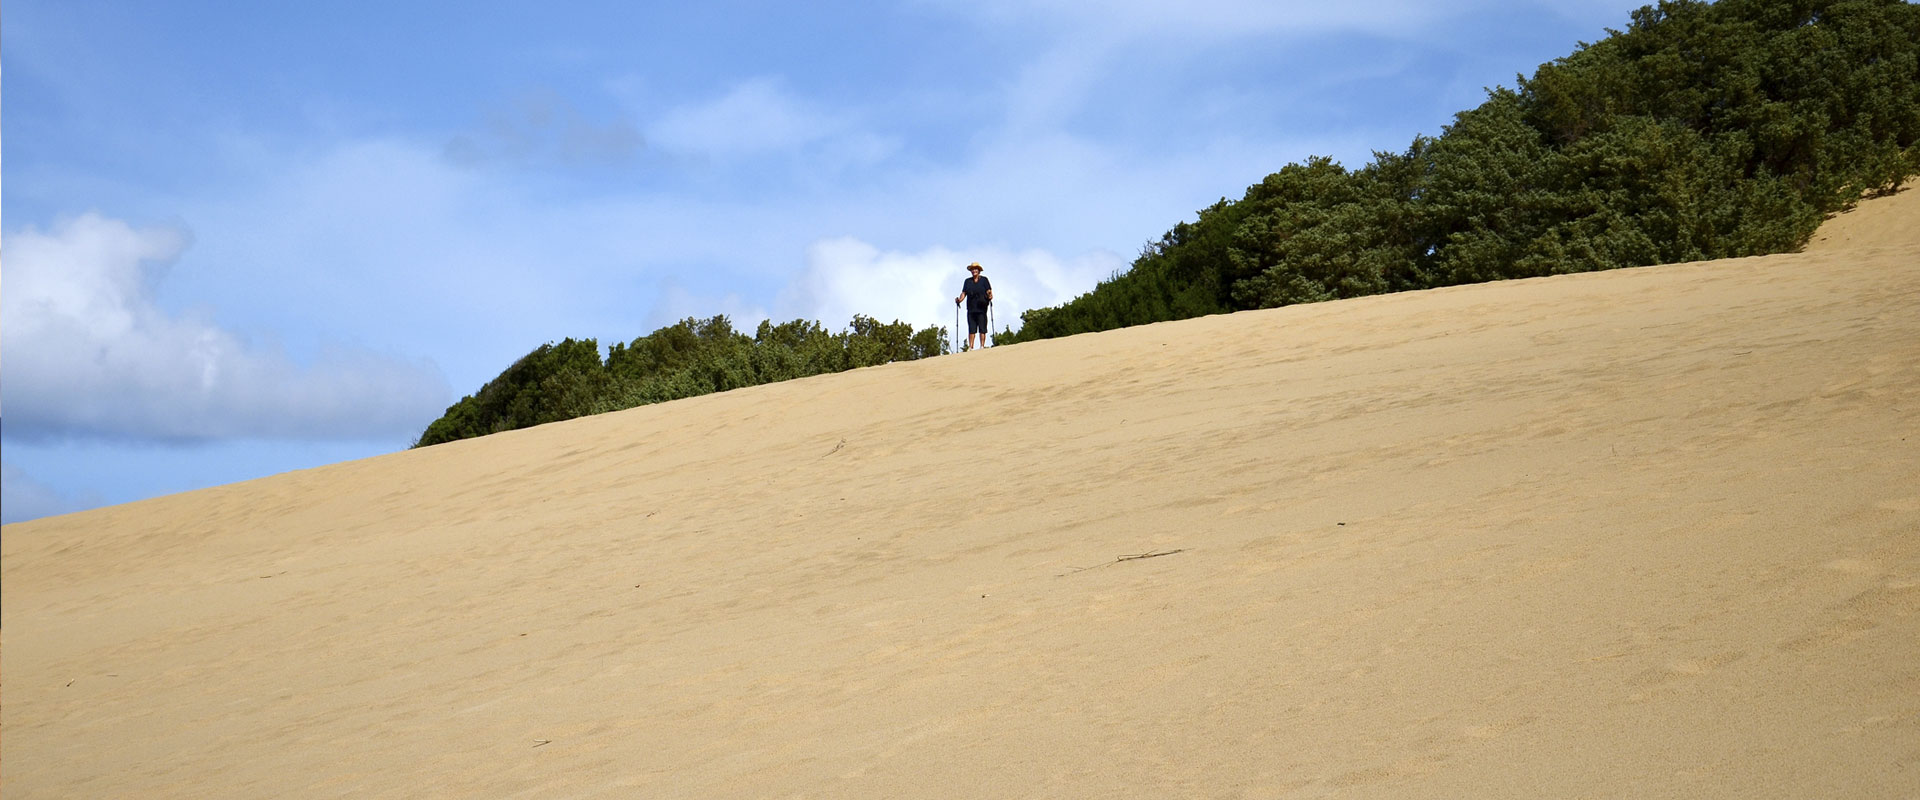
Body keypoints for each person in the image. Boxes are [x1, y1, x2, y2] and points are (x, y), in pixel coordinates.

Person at [955, 261, 994, 350]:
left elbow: (989, 290)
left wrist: (990, 295)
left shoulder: (984, 280)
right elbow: (964, 292)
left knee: (982, 326)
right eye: (972, 269)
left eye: (975, 269)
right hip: (971, 308)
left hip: (982, 307)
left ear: (979, 270)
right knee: (971, 327)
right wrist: (960, 300)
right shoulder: (967, 281)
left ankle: (982, 346)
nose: (974, 271)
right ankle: (971, 346)